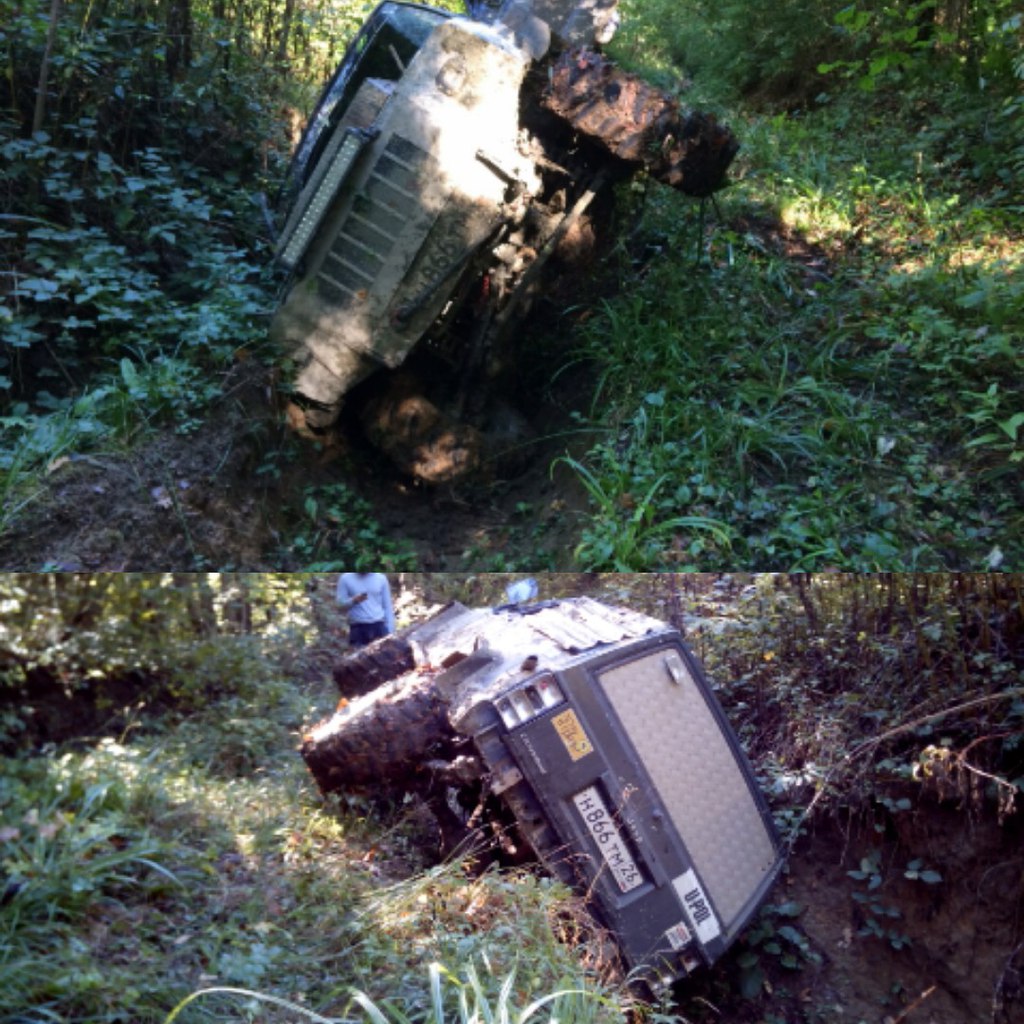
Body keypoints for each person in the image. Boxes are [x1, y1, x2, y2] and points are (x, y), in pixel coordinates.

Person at [336, 572, 396, 648]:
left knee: (385, 654)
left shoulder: (381, 578)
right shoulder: (345, 578)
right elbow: (339, 604)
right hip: (358, 628)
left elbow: (387, 606)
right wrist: (353, 601)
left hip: (379, 625)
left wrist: (390, 630)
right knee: (359, 655)